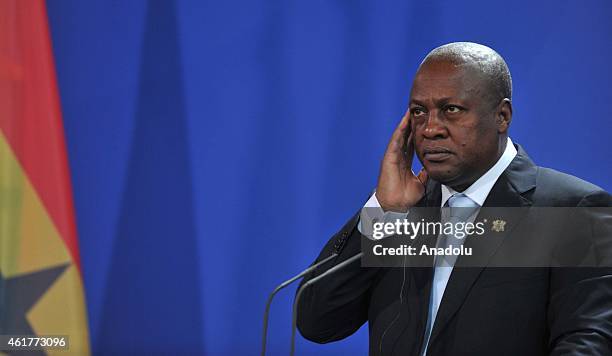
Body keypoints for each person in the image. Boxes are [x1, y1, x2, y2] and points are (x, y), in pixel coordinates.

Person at [296, 42, 612, 355]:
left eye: (451, 110)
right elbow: (316, 322)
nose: (431, 129)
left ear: (502, 116)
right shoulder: (400, 211)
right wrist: (384, 212)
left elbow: (587, 344)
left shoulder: (573, 211)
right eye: (419, 112)